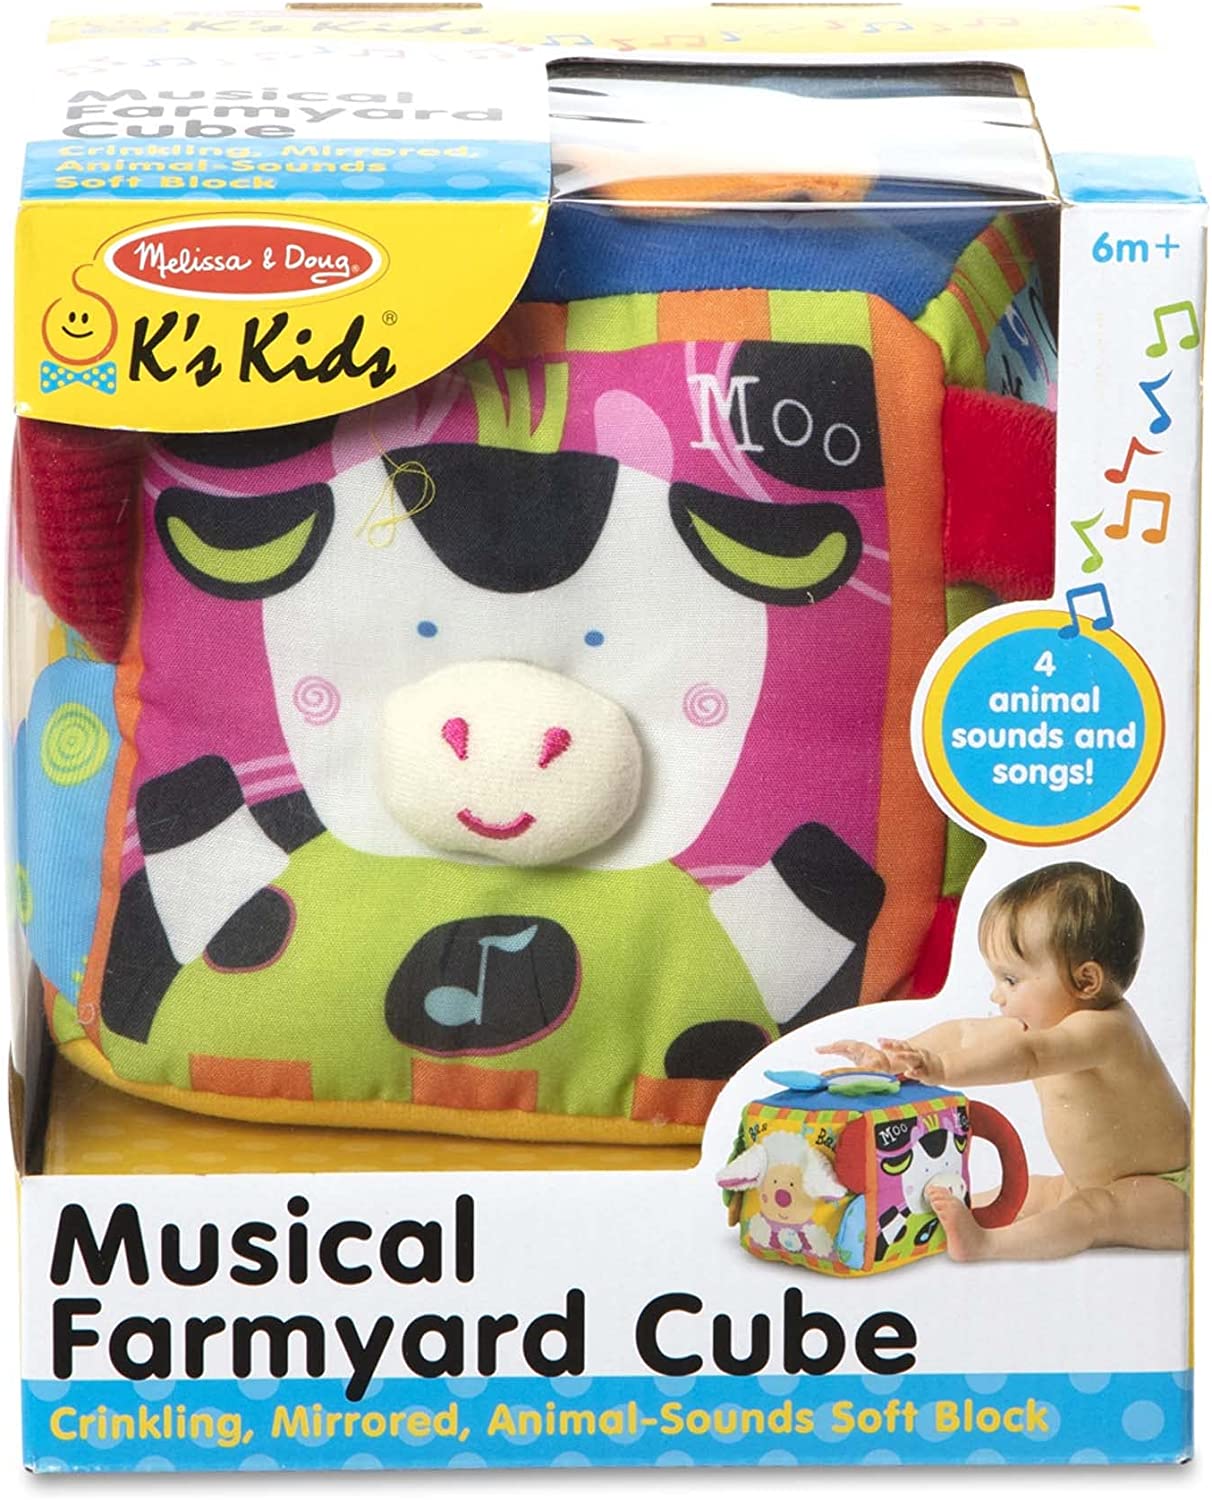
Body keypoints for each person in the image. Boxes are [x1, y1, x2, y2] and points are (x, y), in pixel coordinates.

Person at [821, 863, 1189, 1261]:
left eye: (1011, 980)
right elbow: (964, 1034)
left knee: (1092, 1211)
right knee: (1033, 1191)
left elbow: (1030, 1056)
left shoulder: (1105, 1031)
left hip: (1174, 1190)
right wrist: (895, 1059)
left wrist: (941, 1068)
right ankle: (931, 1223)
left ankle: (984, 1244)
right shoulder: (1043, 1024)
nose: (997, 996)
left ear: (1085, 981)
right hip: (1089, 1181)